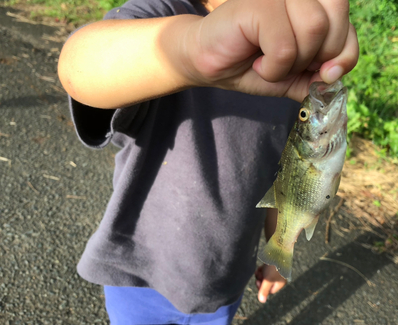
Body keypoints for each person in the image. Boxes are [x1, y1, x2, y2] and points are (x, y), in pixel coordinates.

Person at [58, 0, 359, 323]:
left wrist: (277, 253)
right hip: (135, 277)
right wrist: (191, 50)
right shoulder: (161, 13)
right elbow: (82, 65)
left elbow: (286, 183)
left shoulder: (291, 66)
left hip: (222, 287)